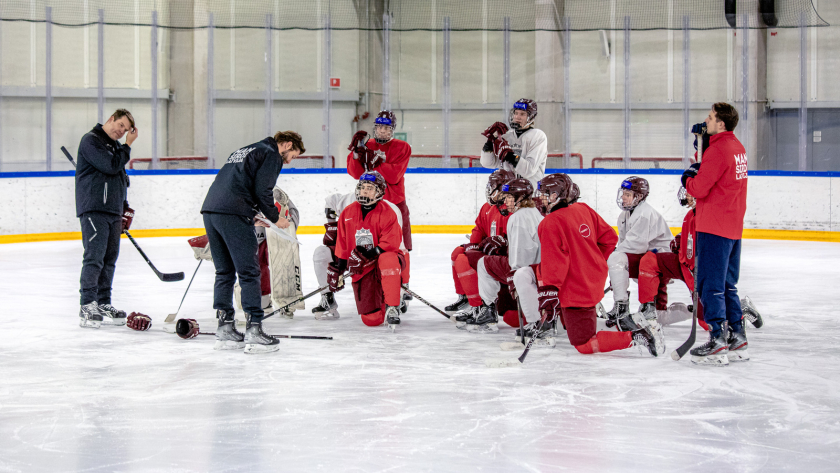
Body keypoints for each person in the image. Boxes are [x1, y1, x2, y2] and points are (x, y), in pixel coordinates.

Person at [535, 173, 664, 356]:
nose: (539, 198)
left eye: (543, 194)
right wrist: (592, 263)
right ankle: (626, 324)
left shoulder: (549, 223)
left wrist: (549, 291)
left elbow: (554, 264)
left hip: (575, 289)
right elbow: (609, 238)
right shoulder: (583, 209)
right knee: (574, 326)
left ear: (555, 196)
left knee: (584, 344)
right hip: (593, 281)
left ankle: (637, 335)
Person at [200, 131, 305, 354]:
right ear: (287, 145)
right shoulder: (272, 153)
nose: (289, 161)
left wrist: (254, 213)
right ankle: (254, 330)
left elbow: (240, 183)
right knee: (249, 272)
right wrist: (276, 218)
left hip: (211, 211)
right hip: (233, 213)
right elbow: (263, 190)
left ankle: (225, 329)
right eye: (292, 155)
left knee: (224, 272)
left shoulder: (246, 150)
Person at [637, 187, 764, 333]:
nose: (686, 195)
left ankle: (740, 308)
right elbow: (690, 234)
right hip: (683, 264)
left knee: (707, 323)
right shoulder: (691, 214)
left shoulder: (712, 218)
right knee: (649, 261)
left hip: (701, 274)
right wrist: (680, 239)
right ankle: (651, 310)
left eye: (690, 192)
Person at [682, 102, 750, 366]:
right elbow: (718, 174)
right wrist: (704, 146)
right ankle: (737, 336)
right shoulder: (737, 147)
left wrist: (687, 178)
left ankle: (717, 340)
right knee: (727, 284)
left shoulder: (719, 150)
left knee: (710, 284)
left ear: (721, 124)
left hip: (714, 227)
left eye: (710, 118)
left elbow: (699, 188)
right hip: (732, 227)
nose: (706, 120)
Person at [75, 108, 138, 329]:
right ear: (111, 119)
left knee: (110, 259)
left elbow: (119, 178)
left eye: (126, 130)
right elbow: (110, 166)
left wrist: (124, 208)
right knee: (95, 258)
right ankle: (87, 304)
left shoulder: (114, 147)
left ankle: (103, 302)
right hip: (94, 209)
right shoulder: (91, 140)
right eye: (121, 125)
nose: (122, 132)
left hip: (112, 211)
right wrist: (128, 145)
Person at [328, 172, 410, 330]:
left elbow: (391, 242)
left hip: (384, 259)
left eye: (370, 188)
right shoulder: (347, 213)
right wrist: (340, 268)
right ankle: (384, 303)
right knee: (372, 320)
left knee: (388, 259)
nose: (365, 191)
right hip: (363, 266)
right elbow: (343, 243)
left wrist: (368, 255)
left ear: (379, 191)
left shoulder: (388, 212)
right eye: (362, 187)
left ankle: (393, 306)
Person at [465, 178, 543, 333]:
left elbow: (521, 254)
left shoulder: (517, 217)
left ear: (520, 198)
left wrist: (515, 276)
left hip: (525, 269)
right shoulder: (536, 213)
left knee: (483, 263)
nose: (505, 201)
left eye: (509, 197)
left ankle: (488, 311)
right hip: (539, 267)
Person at [445, 169, 515, 316]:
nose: (489, 191)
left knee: (463, 260)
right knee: (457, 253)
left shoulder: (509, 211)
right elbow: (478, 231)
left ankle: (478, 306)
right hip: (488, 252)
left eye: (492, 187)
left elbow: (512, 243)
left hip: (502, 258)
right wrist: (474, 246)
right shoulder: (487, 208)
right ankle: (464, 297)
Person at [605, 176, 673, 325]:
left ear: (639, 197)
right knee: (617, 259)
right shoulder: (624, 216)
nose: (623, 197)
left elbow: (636, 245)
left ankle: (624, 307)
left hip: (661, 260)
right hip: (647, 257)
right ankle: (627, 306)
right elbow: (625, 244)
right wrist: (616, 274)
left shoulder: (644, 214)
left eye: (628, 194)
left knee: (616, 259)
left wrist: (613, 261)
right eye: (623, 193)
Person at [347, 111, 413, 251]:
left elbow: (394, 176)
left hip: (394, 201)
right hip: (370, 202)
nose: (382, 131)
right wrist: (355, 154)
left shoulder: (402, 147)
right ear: (375, 128)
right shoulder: (367, 144)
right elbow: (356, 174)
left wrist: (377, 162)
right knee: (369, 243)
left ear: (392, 129)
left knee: (399, 246)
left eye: (386, 128)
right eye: (379, 127)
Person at [479, 98, 547, 191]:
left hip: (529, 193)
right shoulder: (507, 136)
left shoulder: (538, 136)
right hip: (508, 193)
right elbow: (488, 164)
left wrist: (509, 155)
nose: (517, 117)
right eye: (516, 113)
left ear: (531, 117)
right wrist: (490, 143)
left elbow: (529, 170)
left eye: (522, 114)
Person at [311, 191, 357, 319]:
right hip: (345, 252)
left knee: (372, 316)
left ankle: (392, 299)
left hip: (368, 256)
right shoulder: (346, 200)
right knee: (321, 253)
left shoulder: (382, 206)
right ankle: (327, 297)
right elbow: (331, 201)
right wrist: (332, 224)